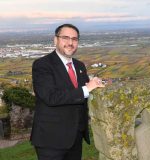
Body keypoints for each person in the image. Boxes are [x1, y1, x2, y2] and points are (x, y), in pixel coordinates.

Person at [30, 24, 105, 160]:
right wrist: (87, 89)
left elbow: (79, 92)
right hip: (51, 139)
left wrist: (92, 85)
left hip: (75, 136)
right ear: (55, 40)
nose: (70, 43)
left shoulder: (79, 65)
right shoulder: (42, 65)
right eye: (65, 38)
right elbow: (50, 97)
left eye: (74, 39)